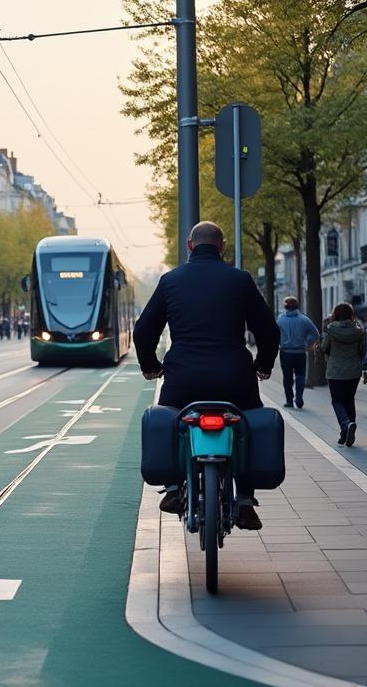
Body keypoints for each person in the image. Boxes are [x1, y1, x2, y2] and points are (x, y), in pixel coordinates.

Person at [133, 221, 280, 531]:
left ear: (189, 246)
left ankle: (173, 488)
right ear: (222, 246)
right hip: (234, 377)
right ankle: (245, 500)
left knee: (172, 419)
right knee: (248, 422)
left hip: (183, 378)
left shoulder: (171, 281)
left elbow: (144, 330)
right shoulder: (240, 280)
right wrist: (263, 364)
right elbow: (267, 329)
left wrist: (151, 365)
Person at [322, 303, 365, 446]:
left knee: (337, 400)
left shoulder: (330, 329)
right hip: (353, 371)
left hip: (335, 371)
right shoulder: (358, 331)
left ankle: (346, 424)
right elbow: (362, 349)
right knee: (349, 399)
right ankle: (346, 431)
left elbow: (324, 348)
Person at [276, 297, 320, 408]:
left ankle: (289, 400)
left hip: (285, 352)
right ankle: (299, 398)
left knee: (287, 377)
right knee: (300, 376)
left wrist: (280, 342)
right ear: (297, 306)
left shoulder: (280, 319)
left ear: (285, 307)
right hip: (300, 352)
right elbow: (315, 334)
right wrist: (307, 343)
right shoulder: (304, 320)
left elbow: (275, 334)